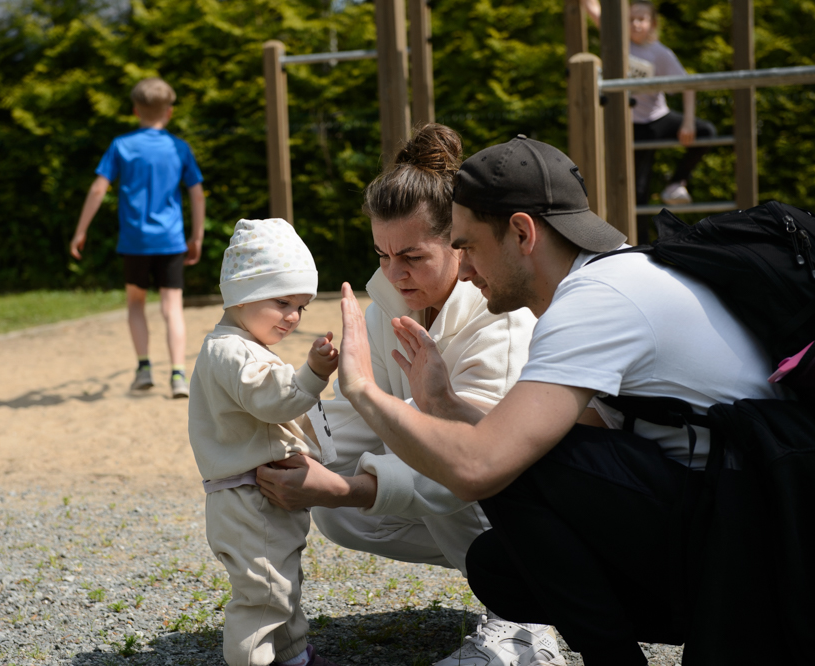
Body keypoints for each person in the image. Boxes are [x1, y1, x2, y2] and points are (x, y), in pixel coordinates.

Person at [331, 135, 782, 666]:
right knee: (499, 564)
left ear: (523, 233)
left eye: (468, 247)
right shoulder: (615, 273)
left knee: (511, 473)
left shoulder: (595, 302)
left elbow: (482, 467)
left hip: (759, 537)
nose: (465, 270)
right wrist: (445, 403)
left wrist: (361, 389)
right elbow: (579, 441)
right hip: (743, 511)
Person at [256, 125, 564, 666]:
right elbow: (359, 419)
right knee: (339, 509)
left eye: (412, 257)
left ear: (458, 242)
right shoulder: (387, 306)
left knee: (433, 462)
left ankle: (528, 623)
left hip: (552, 503)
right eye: (382, 254)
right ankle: (518, 585)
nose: (394, 274)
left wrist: (348, 488)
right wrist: (272, 439)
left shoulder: (501, 312)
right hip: (478, 488)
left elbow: (477, 458)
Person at [188, 218, 340, 666]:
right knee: (262, 597)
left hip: (259, 493)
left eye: (301, 307)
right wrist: (313, 374)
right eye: (282, 302)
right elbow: (276, 402)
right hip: (249, 499)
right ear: (242, 293)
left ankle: (292, 656)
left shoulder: (241, 347)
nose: (293, 316)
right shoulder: (232, 352)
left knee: (280, 585)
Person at [70, 77, 206, 397]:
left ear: (135, 110)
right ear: (169, 112)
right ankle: (178, 374)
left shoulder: (121, 145)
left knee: (135, 303)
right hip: (171, 240)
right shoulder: (179, 147)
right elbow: (197, 194)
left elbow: (98, 189)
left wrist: (81, 230)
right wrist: (197, 236)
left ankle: (144, 368)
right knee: (172, 306)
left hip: (135, 242)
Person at [586, 0, 717, 243]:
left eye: (642, 19)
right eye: (631, 19)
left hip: (658, 119)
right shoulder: (617, 41)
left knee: (706, 131)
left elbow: (688, 85)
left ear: (652, 23)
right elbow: (592, 8)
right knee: (638, 191)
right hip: (631, 125)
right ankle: (641, 245)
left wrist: (688, 122)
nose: (636, 24)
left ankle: (676, 182)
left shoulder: (660, 53)